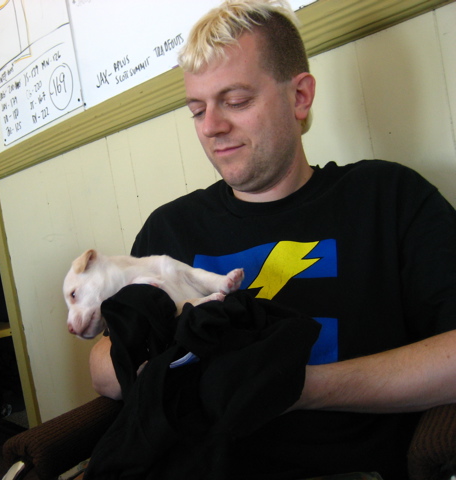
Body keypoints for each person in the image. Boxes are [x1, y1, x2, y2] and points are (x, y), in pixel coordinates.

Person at [89, 0, 456, 477]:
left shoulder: (387, 199)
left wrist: (296, 387)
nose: (211, 127)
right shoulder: (171, 229)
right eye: (197, 110)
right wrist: (188, 378)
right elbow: (104, 364)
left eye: (236, 101)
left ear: (300, 96)